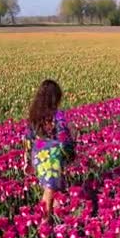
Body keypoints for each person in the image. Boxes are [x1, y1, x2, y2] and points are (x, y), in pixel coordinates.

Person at [23, 79, 75, 221]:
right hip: (52, 157)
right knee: (50, 190)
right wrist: (70, 153)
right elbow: (64, 138)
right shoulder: (57, 116)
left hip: (38, 156)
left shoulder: (34, 116)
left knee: (55, 190)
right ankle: (44, 223)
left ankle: (59, 220)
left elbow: (28, 139)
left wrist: (27, 161)